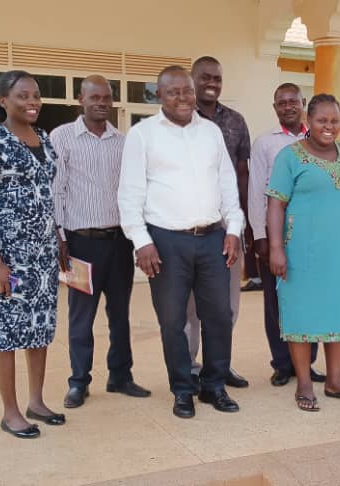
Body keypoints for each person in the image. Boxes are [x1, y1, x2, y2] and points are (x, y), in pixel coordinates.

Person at [118, 65, 244, 419]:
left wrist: (233, 228)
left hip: (212, 238)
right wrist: (142, 242)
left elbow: (227, 186)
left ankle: (214, 385)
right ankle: (182, 390)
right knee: (173, 321)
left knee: (219, 315)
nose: (183, 98)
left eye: (187, 90)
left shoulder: (212, 133)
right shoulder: (142, 135)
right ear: (159, 95)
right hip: (165, 242)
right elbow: (129, 195)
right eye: (173, 92)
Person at [266, 93, 340, 412]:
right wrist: (276, 248)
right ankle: (303, 383)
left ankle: (334, 381)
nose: (328, 127)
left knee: (336, 311)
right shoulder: (289, 157)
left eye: (334, 121)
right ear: (309, 121)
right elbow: (275, 203)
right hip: (299, 250)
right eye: (321, 120)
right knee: (300, 311)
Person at [0, 70, 65, 439]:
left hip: (43, 255)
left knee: (39, 330)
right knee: (6, 333)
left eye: (37, 95)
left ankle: (36, 401)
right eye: (23, 95)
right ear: (3, 101)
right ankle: (10, 413)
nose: (32, 102)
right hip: (8, 256)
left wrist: (58, 240)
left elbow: (48, 196)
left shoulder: (43, 139)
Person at [50, 75, 150, 409]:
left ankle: (120, 376)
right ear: (81, 100)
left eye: (107, 97)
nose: (101, 103)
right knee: (81, 317)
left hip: (119, 241)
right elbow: (55, 191)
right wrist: (60, 237)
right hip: (80, 244)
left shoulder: (124, 142)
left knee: (120, 314)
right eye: (95, 97)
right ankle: (79, 382)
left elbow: (135, 190)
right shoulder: (62, 138)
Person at [247, 83, 325, 387]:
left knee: (311, 298)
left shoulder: (319, 138)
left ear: (303, 103)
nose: (288, 106)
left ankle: (309, 361)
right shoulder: (265, 143)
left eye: (293, 101)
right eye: (282, 102)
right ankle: (282, 363)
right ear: (275, 107)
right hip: (274, 231)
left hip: (313, 234)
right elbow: (256, 192)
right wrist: (259, 235)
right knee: (276, 302)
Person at [187, 56, 250, 388]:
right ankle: (190, 367)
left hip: (228, 228)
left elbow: (243, 175)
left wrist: (244, 226)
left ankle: (219, 365)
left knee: (226, 305)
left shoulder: (236, 121)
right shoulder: (179, 119)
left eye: (217, 78)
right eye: (205, 77)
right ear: (192, 79)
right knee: (190, 309)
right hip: (190, 228)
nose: (212, 82)